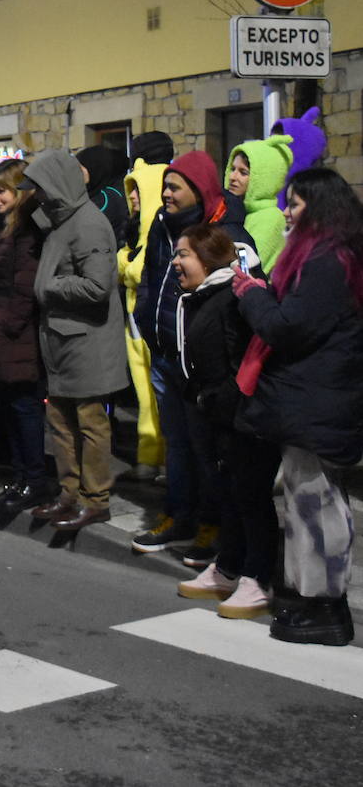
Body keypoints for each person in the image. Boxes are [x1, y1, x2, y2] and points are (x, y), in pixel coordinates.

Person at [231, 168, 363, 646]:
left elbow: (287, 327)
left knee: (316, 504)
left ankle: (325, 609)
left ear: (321, 209)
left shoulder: (329, 261)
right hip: (314, 400)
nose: (286, 212)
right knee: (307, 501)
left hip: (319, 403)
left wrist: (252, 295)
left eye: (297, 204)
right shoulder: (329, 256)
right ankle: (311, 600)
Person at [130, 150, 250, 561]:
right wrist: (146, 321)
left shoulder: (225, 233)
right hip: (166, 354)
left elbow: (242, 297)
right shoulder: (163, 226)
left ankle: (212, 523)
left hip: (203, 365)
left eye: (174, 186)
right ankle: (180, 514)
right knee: (177, 444)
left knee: (207, 449)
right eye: (164, 185)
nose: (164, 193)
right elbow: (149, 278)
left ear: (197, 191)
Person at [168, 225, 278, 619]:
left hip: (244, 417)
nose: (176, 262)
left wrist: (222, 400)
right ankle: (230, 566)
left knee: (251, 496)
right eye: (177, 254)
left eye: (184, 255)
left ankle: (259, 577)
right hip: (217, 413)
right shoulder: (201, 297)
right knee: (228, 493)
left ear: (208, 259)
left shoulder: (233, 296)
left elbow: (245, 360)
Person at [21, 150, 126, 529]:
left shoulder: (89, 224)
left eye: (41, 188)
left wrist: (50, 286)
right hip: (62, 339)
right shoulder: (60, 222)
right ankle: (70, 495)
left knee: (89, 423)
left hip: (87, 340)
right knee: (60, 421)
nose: (37, 195)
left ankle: (96, 499)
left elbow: (98, 285)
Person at [0, 159, 49, 514]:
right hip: (3, 334)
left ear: (20, 191)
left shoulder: (28, 229)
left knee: (25, 410)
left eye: (1, 190)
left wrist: (3, 325)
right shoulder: (3, 229)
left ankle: (34, 481)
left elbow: (24, 289)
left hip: (18, 336)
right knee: (10, 411)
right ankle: (21, 479)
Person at [117, 132, 174, 482]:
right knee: (144, 394)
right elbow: (128, 263)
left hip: (155, 318)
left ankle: (168, 459)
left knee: (164, 395)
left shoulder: (163, 226)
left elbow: (138, 268)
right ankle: (149, 454)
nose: (132, 197)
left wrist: (127, 263)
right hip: (136, 318)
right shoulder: (136, 228)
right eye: (130, 189)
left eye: (137, 190)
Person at [223, 135, 291, 274]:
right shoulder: (232, 211)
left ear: (264, 180)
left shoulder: (271, 218)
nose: (232, 177)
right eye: (233, 169)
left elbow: (247, 267)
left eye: (243, 172)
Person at [77, 146, 130, 241]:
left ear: (93, 167)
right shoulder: (94, 192)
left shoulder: (107, 199)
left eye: (81, 168)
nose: (77, 172)